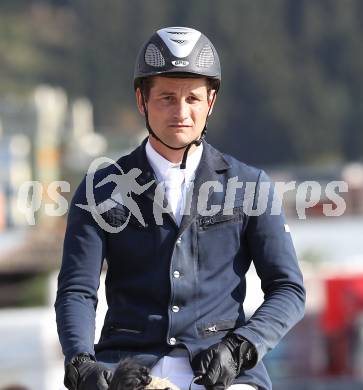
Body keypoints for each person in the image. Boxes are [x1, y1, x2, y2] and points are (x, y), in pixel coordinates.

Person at [55, 26, 305, 390]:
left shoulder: (251, 185)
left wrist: (241, 347)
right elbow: (77, 289)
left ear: (211, 102)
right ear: (142, 101)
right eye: (167, 98)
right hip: (127, 369)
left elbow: (288, 289)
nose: (181, 112)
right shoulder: (100, 188)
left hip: (223, 369)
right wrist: (80, 360)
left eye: (193, 99)